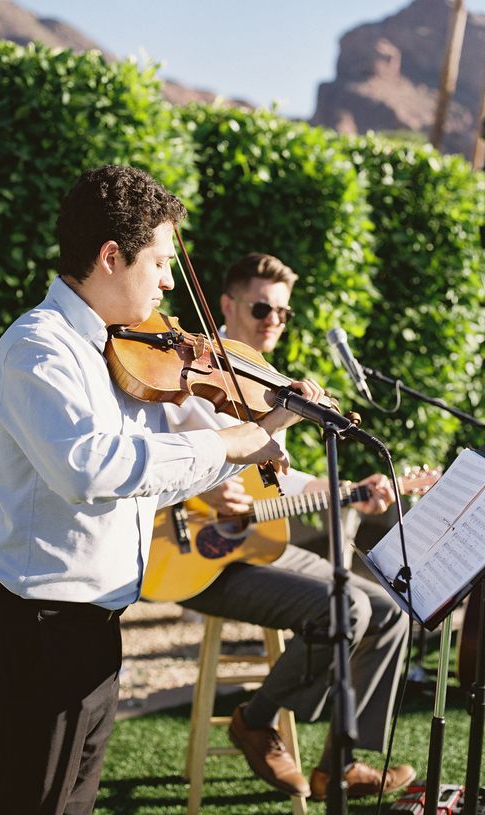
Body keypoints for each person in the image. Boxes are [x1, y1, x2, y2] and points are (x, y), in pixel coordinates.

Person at [0, 167, 323, 815]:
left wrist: (264, 428)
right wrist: (234, 443)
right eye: (158, 261)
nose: (168, 281)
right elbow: (92, 470)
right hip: (31, 629)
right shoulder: (39, 349)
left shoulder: (125, 352)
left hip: (89, 624)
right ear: (110, 256)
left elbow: (161, 472)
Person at [163, 252, 416, 801]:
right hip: (196, 556)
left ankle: (339, 767)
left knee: (392, 613)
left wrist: (354, 492)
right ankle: (256, 719)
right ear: (226, 305)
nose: (273, 320)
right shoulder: (182, 376)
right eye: (261, 307)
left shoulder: (262, 383)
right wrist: (203, 482)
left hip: (258, 544)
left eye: (283, 312)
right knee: (345, 608)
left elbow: (279, 485)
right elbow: (161, 454)